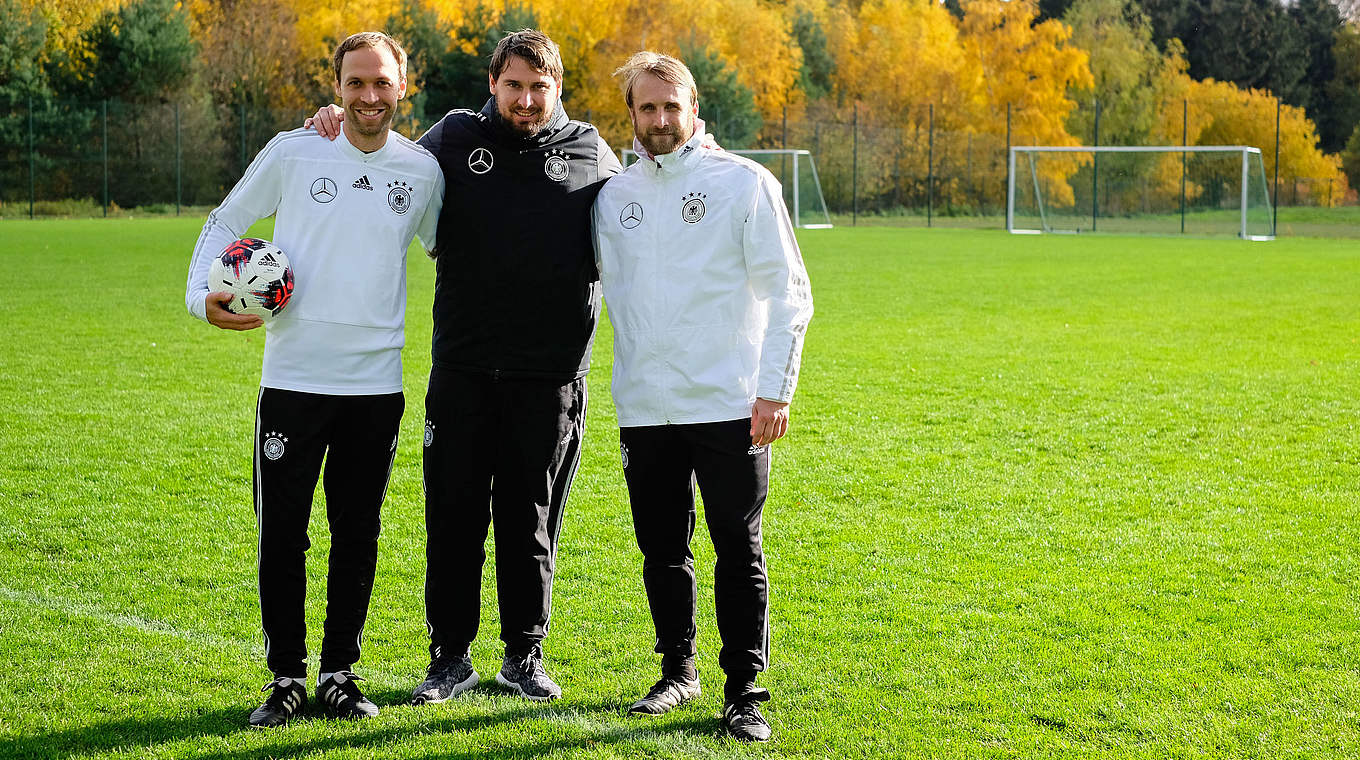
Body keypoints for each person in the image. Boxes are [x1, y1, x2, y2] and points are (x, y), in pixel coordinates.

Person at [307, 29, 621, 703]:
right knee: (452, 516)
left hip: (551, 374)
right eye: (514, 86)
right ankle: (449, 658)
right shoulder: (451, 138)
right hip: (464, 367)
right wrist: (330, 126)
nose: (527, 100)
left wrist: (697, 149)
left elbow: (645, 202)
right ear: (493, 85)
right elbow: (383, 162)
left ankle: (524, 656)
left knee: (528, 518)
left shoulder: (591, 151)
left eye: (540, 87)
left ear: (558, 88)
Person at [185, 32, 444, 728]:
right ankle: (284, 678)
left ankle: (339, 673)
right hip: (293, 380)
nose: (368, 96)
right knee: (284, 535)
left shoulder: (422, 171)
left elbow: (454, 250)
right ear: (336, 87)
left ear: (402, 87)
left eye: (381, 83)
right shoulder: (294, 150)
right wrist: (197, 296)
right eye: (355, 83)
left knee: (357, 532)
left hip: (375, 388)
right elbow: (226, 219)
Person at [591, 51, 813, 743]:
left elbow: (790, 292)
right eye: (646, 108)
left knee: (736, 547)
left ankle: (744, 690)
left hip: (729, 402)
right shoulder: (613, 196)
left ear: (693, 108)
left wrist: (774, 391)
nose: (659, 119)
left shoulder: (744, 184)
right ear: (630, 116)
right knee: (663, 550)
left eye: (670, 106)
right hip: (646, 405)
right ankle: (677, 671)